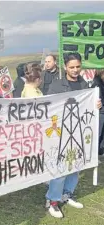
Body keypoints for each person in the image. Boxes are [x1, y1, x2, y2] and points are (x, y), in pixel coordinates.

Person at [45, 52, 102, 218]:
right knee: (61, 169)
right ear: (65, 67)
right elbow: (49, 109)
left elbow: (88, 108)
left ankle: (67, 194)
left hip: (79, 133)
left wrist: (95, 104)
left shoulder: (84, 84)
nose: (75, 70)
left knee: (76, 166)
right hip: (61, 134)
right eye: (72, 67)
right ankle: (52, 200)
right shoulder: (56, 86)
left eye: (78, 66)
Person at [91, 69, 104, 155]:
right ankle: (95, 153)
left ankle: (100, 151)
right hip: (100, 111)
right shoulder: (97, 84)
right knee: (98, 133)